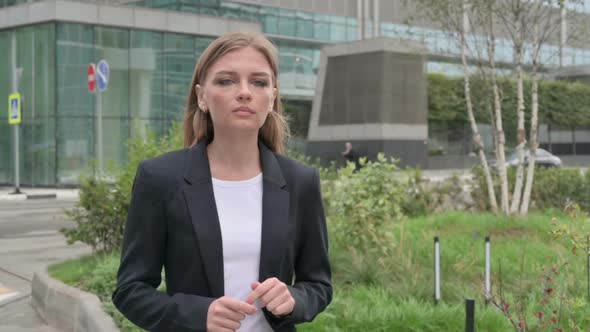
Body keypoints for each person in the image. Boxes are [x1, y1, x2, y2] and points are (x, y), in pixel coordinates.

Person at [112, 32, 332, 332]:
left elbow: (318, 284)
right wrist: (198, 314)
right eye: (226, 81)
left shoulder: (301, 181)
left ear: (272, 98)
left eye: (259, 82)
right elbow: (130, 289)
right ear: (202, 96)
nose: (244, 92)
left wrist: (293, 299)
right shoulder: (160, 178)